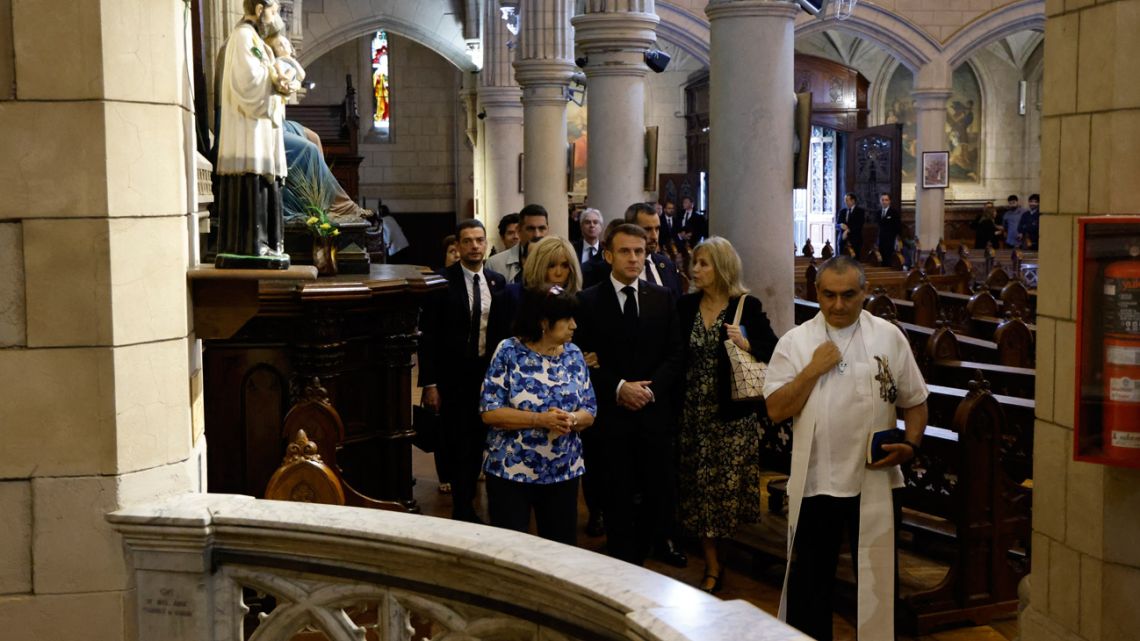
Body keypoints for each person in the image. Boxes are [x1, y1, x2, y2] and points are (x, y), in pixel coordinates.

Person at [763, 256, 929, 641]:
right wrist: (812, 370)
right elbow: (775, 410)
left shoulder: (889, 336)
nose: (838, 305)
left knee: (877, 579)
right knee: (810, 583)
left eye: (848, 295)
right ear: (816, 293)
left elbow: (916, 400)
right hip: (816, 482)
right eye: (829, 295)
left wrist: (912, 444)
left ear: (865, 292)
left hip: (876, 479)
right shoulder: (797, 341)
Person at [575, 223, 684, 566]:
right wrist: (620, 387)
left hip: (652, 412)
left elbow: (676, 354)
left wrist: (649, 391)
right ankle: (622, 563)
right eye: (625, 251)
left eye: (639, 251)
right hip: (611, 417)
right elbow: (583, 359)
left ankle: (646, 557)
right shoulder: (588, 300)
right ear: (608, 255)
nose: (634, 258)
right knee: (617, 496)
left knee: (656, 492)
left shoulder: (662, 297)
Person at [676, 237, 778, 593]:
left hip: (731, 417)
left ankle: (723, 554)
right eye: (695, 263)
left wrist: (746, 342)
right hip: (693, 414)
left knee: (725, 493)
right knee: (701, 492)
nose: (696, 270)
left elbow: (774, 350)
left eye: (704, 263)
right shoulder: (686, 305)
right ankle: (712, 563)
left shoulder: (745, 306)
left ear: (722, 267)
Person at [479, 285, 597, 545]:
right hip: (511, 472)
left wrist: (572, 419)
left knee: (560, 552)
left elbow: (589, 410)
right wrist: (540, 420)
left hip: (563, 472)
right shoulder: (509, 351)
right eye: (567, 320)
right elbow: (490, 412)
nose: (574, 325)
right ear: (544, 322)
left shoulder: (574, 355)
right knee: (512, 552)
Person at [418, 219, 507, 522]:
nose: (474, 246)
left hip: (488, 375)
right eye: (467, 241)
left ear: (486, 243)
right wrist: (429, 383)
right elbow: (428, 336)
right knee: (459, 443)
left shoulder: (498, 282)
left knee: (485, 439)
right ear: (457, 246)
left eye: (479, 240)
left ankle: (485, 503)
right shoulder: (441, 282)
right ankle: (463, 506)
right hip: (453, 377)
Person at [213, 0, 292, 269]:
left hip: (260, 129)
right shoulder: (243, 37)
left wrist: (281, 79)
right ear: (259, 9)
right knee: (253, 179)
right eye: (274, 10)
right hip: (248, 131)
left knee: (267, 180)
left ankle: (267, 243)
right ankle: (253, 245)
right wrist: (275, 80)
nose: (276, 16)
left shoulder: (256, 40)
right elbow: (247, 83)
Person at [487, 236, 583, 350]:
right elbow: (494, 347)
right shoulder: (510, 296)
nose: (558, 273)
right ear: (538, 266)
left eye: (565, 266)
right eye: (551, 266)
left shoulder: (577, 303)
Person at [486, 204, 549, 283]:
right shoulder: (495, 264)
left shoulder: (561, 260)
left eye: (542, 228)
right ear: (519, 230)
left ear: (548, 229)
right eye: (530, 229)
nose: (537, 234)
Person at [873, 193, 901, 266]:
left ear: (889, 201)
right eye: (882, 200)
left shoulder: (894, 212)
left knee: (888, 261)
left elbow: (897, 227)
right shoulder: (878, 213)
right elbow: (878, 225)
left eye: (886, 200)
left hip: (890, 241)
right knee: (880, 260)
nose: (884, 202)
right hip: (880, 240)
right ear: (880, 201)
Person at [836, 192, 865, 258]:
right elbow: (836, 225)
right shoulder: (842, 211)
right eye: (845, 200)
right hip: (842, 241)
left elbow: (859, 225)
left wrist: (848, 231)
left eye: (847, 200)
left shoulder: (860, 211)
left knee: (854, 262)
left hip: (855, 240)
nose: (845, 202)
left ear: (853, 201)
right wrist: (840, 225)